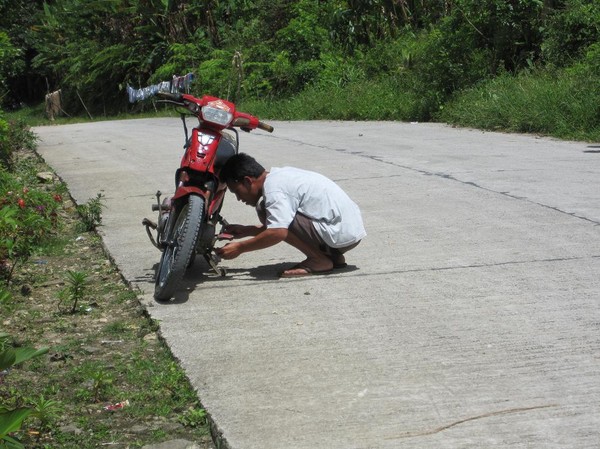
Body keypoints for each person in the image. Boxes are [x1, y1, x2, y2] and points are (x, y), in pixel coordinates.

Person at [215, 153, 366, 277]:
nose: (239, 199)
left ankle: (319, 260)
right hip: (346, 233)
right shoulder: (279, 176)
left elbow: (278, 232)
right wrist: (247, 230)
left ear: (248, 181)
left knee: (265, 211)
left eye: (237, 192)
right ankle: (334, 257)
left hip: (338, 234)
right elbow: (280, 226)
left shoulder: (274, 190)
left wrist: (240, 247)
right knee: (277, 218)